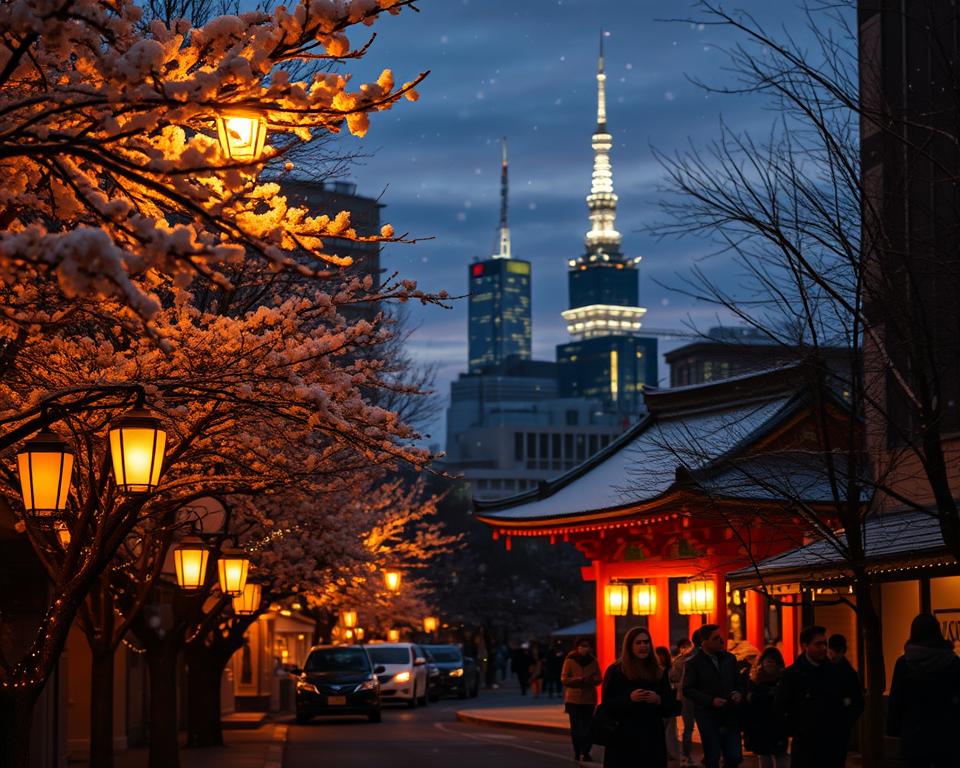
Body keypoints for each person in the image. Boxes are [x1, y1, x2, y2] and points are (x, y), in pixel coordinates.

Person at [776, 625, 861, 768]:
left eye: (825, 644)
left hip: (833, 742)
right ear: (805, 645)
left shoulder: (838, 672)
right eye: (818, 644)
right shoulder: (792, 675)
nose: (823, 648)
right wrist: (796, 728)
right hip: (804, 743)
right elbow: (780, 706)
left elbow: (856, 701)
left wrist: (842, 726)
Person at [887, 613, 960, 768]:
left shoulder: (904, 664)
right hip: (947, 740)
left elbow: (896, 703)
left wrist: (895, 729)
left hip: (914, 740)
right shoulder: (953, 663)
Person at [601, 626, 676, 768]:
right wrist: (629, 699)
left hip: (652, 735)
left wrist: (658, 700)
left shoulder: (658, 671)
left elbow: (670, 704)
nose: (643, 646)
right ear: (630, 646)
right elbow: (607, 703)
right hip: (624, 735)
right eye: (638, 643)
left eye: (646, 642)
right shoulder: (617, 670)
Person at [682, 623, 743, 768]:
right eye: (716, 638)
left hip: (730, 712)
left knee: (734, 756)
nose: (721, 641)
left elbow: (739, 682)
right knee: (712, 755)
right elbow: (688, 689)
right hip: (708, 715)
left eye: (721, 637)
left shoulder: (729, 659)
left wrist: (739, 693)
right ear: (704, 643)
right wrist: (710, 701)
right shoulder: (694, 663)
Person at [743, 647, 788, 768]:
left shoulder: (784, 679)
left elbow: (784, 699)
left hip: (778, 723)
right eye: (768, 660)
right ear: (761, 662)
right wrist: (771, 694)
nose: (770, 664)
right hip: (760, 724)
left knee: (780, 756)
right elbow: (750, 699)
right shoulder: (754, 679)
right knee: (764, 755)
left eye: (774, 661)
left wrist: (761, 696)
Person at [562, 637, 603, 763]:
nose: (585, 648)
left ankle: (586, 752)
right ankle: (577, 751)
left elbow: (599, 678)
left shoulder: (593, 661)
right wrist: (579, 680)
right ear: (577, 647)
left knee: (588, 727)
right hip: (573, 699)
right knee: (576, 728)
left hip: (589, 699)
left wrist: (594, 680)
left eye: (587, 646)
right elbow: (564, 679)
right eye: (582, 645)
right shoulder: (570, 660)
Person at [827, 633, 865, 761]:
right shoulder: (849, 672)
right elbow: (858, 703)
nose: (833, 655)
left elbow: (858, 703)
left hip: (837, 724)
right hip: (838, 724)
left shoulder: (846, 673)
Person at [674, 634, 699, 768]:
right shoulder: (684, 660)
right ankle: (686, 756)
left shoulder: (679, 660)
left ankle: (686, 756)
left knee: (688, 728)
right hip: (689, 697)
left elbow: (674, 677)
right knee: (690, 727)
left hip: (686, 697)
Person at [656, 646, 681, 763]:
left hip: (669, 702)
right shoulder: (653, 670)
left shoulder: (671, 669)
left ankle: (670, 752)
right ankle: (664, 752)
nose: (660, 658)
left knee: (670, 731)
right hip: (657, 703)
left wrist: (672, 686)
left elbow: (678, 683)